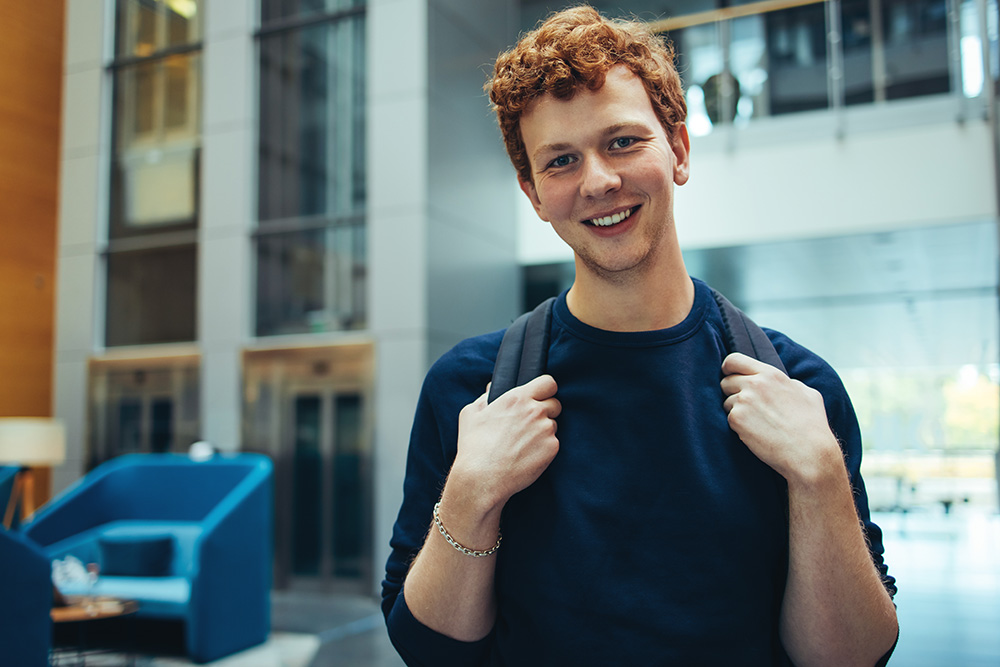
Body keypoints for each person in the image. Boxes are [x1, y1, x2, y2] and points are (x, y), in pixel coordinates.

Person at [382, 6, 898, 666]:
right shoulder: (469, 390)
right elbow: (425, 649)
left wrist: (820, 477)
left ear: (678, 149)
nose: (598, 180)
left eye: (623, 141)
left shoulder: (798, 389)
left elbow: (851, 658)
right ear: (534, 193)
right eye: (561, 160)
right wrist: (470, 494)